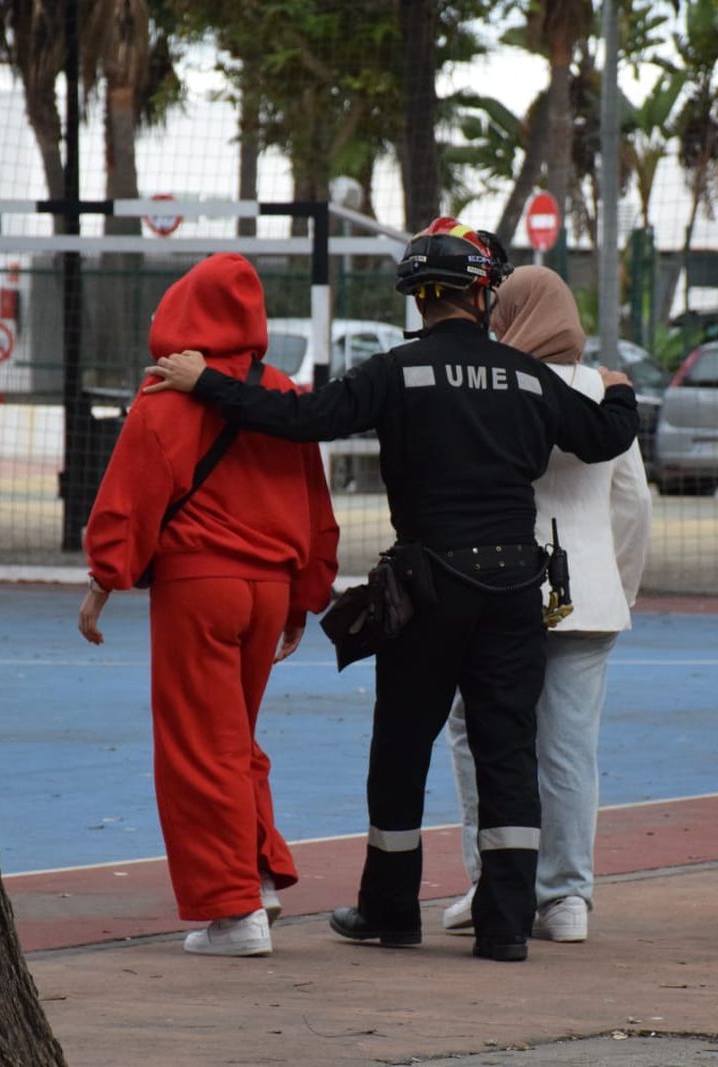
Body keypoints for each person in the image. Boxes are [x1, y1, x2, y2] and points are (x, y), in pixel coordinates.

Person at [143, 217, 639, 962]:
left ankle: (390, 909)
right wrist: (621, 392)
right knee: (509, 750)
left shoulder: (395, 371)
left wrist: (203, 382)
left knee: (402, 748)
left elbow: (300, 419)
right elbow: (604, 435)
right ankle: (506, 924)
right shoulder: (527, 376)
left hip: (427, 584)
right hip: (513, 586)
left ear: (416, 297)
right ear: (482, 292)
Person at [77, 253, 340, 959]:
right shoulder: (281, 392)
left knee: (197, 746)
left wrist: (104, 580)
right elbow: (315, 505)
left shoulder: (168, 393)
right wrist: (305, 597)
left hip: (200, 585)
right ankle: (257, 871)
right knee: (235, 738)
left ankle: (233, 911)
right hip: (271, 587)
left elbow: (131, 496)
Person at [440, 265, 651, 944]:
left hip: (503, 586)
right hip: (588, 591)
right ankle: (567, 899)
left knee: (481, 734)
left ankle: (491, 882)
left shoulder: (497, 386)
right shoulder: (605, 391)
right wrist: (621, 583)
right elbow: (634, 503)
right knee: (568, 750)